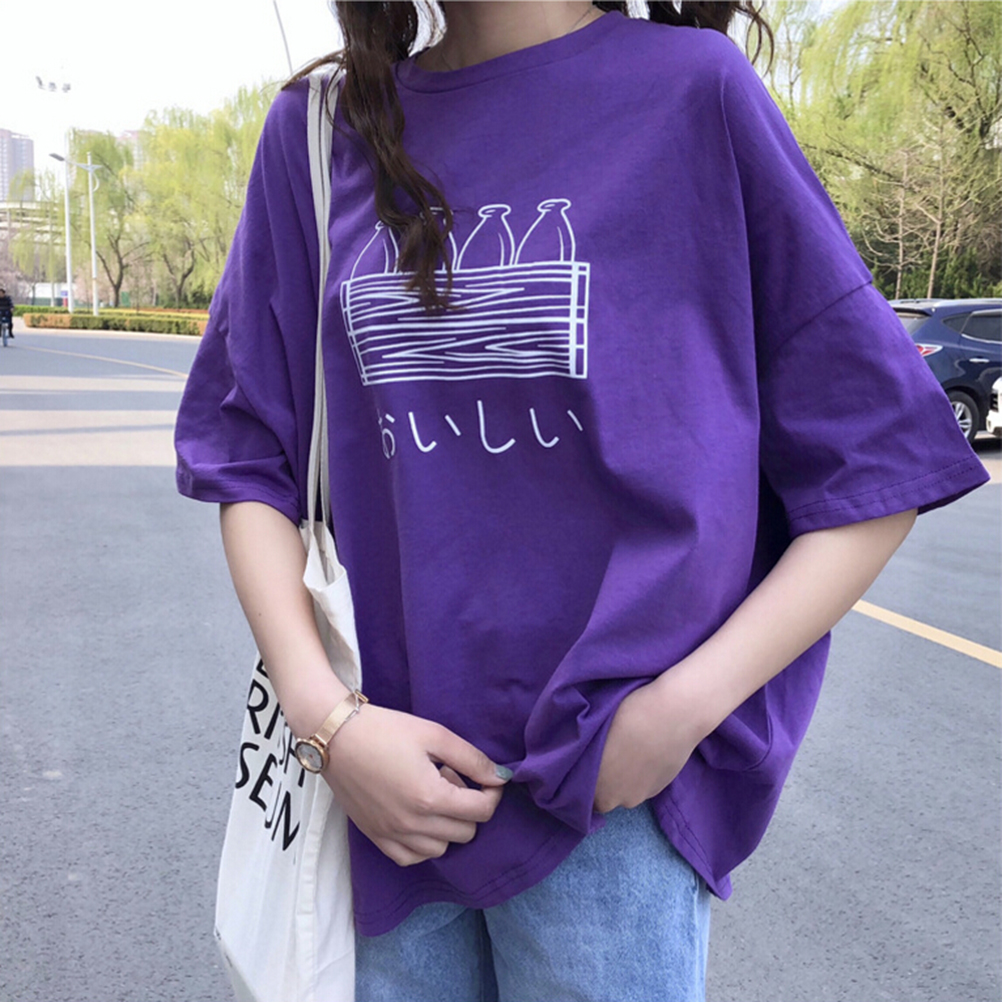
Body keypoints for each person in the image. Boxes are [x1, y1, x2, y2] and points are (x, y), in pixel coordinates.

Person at [174, 3, 990, 1000]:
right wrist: (328, 725)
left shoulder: (693, 94)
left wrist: (680, 711)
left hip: (611, 812)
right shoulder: (318, 129)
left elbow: (876, 464)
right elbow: (248, 457)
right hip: (381, 798)